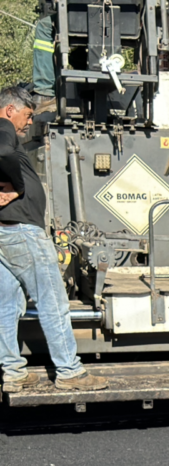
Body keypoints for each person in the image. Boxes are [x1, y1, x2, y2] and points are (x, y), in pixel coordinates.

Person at [0, 85, 105, 393]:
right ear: (9, 110)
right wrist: (17, 186)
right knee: (52, 301)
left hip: (6, 233)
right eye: (27, 115)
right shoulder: (3, 127)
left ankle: (13, 372)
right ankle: (70, 372)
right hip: (22, 232)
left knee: (6, 305)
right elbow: (4, 151)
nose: (28, 123)